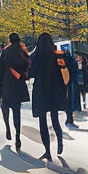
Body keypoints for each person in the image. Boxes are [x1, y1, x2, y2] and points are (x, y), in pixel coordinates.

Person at [28, 32, 70, 162]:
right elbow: (65, 71)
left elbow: (31, 73)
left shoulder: (36, 56)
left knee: (42, 120)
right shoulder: (58, 54)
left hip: (41, 90)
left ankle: (47, 151)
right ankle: (60, 140)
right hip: (55, 89)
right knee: (54, 117)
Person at [0, 33, 30, 148]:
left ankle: (8, 129)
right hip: (18, 84)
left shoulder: (5, 52)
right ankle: (18, 136)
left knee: (5, 108)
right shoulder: (22, 52)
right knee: (16, 112)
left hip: (6, 84)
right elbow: (27, 67)